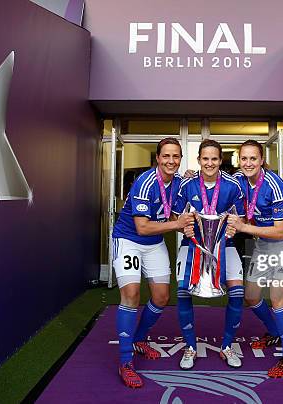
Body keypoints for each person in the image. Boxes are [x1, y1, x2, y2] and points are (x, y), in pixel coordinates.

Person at [112, 138, 194, 388]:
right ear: (157, 158)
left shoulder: (179, 182)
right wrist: (178, 225)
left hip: (154, 242)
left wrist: (193, 177)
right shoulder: (145, 182)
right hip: (129, 240)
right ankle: (125, 361)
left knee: (160, 297)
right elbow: (142, 226)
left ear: (180, 159)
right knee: (132, 294)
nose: (171, 161)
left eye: (176, 157)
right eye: (166, 156)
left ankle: (138, 339)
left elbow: (196, 190)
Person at [228, 139, 283, 378]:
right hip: (263, 242)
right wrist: (191, 175)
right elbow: (212, 179)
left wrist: (242, 228)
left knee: (277, 299)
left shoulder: (274, 185)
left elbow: (279, 231)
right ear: (239, 161)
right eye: (244, 158)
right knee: (251, 296)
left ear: (262, 160)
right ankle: (272, 332)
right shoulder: (239, 180)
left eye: (253, 158)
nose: (248, 163)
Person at [171, 139, 246, 370]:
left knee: (237, 292)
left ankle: (226, 346)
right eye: (205, 158)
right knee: (183, 290)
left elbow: (241, 218)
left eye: (214, 159)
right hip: (192, 245)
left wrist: (235, 226)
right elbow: (175, 216)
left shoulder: (233, 185)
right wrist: (184, 225)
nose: (210, 163)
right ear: (199, 160)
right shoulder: (188, 184)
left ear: (220, 160)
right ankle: (191, 347)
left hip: (225, 245)